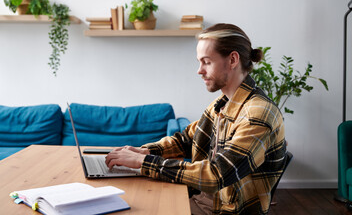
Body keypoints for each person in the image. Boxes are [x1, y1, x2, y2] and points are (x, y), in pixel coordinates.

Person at [105, 23, 286, 214]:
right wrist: (143, 151)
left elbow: (217, 174)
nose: (199, 70)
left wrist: (144, 162)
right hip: (197, 201)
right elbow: (186, 139)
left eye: (206, 62)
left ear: (233, 59)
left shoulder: (257, 114)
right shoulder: (222, 104)